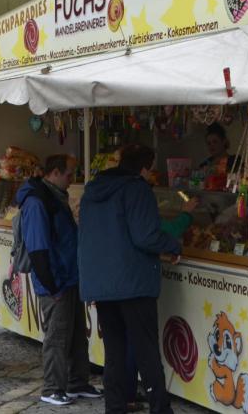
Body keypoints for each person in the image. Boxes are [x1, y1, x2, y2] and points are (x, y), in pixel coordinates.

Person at [78, 144, 182, 414]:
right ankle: (160, 408)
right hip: (133, 283)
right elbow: (145, 236)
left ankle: (115, 406)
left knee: (114, 350)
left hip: (101, 284)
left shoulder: (93, 190)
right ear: (144, 168)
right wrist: (172, 245)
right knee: (146, 350)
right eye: (151, 170)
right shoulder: (137, 189)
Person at [16, 154, 102, 406]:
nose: (71, 179)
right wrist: (52, 284)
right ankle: (53, 387)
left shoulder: (55, 197)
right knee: (57, 336)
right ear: (54, 172)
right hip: (56, 281)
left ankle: (78, 382)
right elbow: (38, 248)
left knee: (76, 334)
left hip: (69, 276)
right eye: (69, 174)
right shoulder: (37, 202)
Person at [124, 196, 199, 412]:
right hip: (137, 286)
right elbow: (160, 232)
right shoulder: (139, 211)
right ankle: (154, 403)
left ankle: (124, 396)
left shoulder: (113, 209)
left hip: (118, 285)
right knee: (142, 344)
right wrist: (185, 216)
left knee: (123, 342)